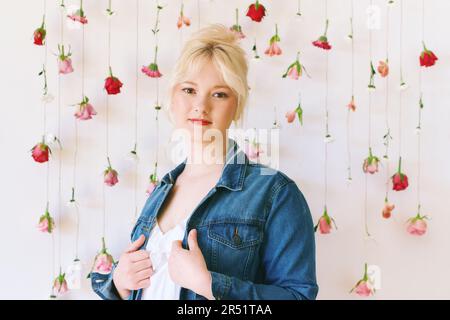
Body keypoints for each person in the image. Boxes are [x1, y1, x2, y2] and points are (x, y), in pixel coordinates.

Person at [91, 24, 318, 300]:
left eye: (219, 94)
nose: (201, 105)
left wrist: (211, 285)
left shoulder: (276, 193)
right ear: (173, 99)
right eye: (189, 90)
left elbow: (299, 297)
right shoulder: (161, 192)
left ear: (237, 105)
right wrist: (118, 284)